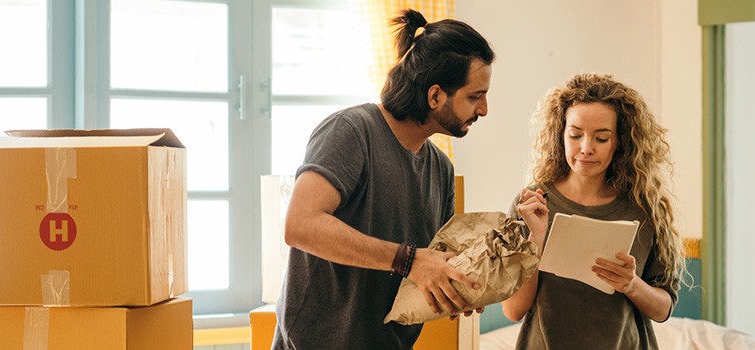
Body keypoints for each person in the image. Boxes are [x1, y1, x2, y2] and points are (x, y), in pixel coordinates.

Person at [271, 9, 495, 350]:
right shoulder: (351, 131)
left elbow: (428, 265)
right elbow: (301, 225)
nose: (484, 110)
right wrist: (408, 260)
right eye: (474, 96)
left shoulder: (441, 169)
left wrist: (459, 286)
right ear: (435, 95)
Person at [502, 73, 688, 349]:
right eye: (575, 135)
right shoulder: (532, 203)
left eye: (601, 138)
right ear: (560, 134)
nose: (586, 148)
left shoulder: (645, 209)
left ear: (620, 142)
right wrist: (536, 238)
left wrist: (631, 284)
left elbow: (663, 309)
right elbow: (513, 310)